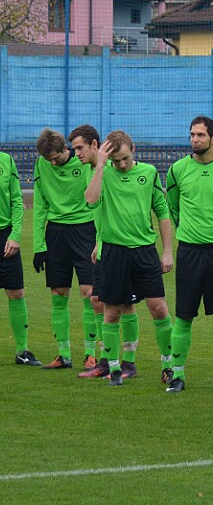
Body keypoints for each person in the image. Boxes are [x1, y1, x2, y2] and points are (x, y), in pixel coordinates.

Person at [84, 131, 174, 387]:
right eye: (116, 160)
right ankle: (114, 369)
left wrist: (167, 251)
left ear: (133, 149)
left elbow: (162, 210)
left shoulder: (149, 173)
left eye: (125, 158)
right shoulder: (102, 173)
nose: (121, 164)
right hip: (113, 252)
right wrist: (101, 165)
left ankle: (168, 367)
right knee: (111, 312)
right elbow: (90, 201)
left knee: (159, 308)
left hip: (144, 251)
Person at [165, 116, 213, 393]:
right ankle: (176, 375)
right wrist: (188, 230)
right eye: (191, 135)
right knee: (184, 316)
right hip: (189, 251)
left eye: (200, 135)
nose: (194, 139)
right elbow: (172, 209)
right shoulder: (177, 170)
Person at [70, 125, 145, 380]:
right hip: (104, 246)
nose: (76, 153)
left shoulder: (106, 170)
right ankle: (106, 360)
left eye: (80, 147)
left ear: (95, 145)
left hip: (121, 248)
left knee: (125, 304)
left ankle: (128, 363)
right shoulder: (92, 172)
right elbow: (97, 210)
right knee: (98, 301)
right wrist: (98, 242)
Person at [33, 128, 97, 370]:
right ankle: (63, 354)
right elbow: (40, 204)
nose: (52, 162)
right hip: (56, 234)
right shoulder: (43, 164)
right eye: (48, 158)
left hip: (84, 230)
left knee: (89, 294)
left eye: (56, 158)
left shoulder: (85, 164)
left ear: (66, 150)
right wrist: (39, 245)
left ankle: (91, 354)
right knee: (58, 295)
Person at [0, 147, 34, 366]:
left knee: (16, 292)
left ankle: (22, 351)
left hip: (5, 236)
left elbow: (16, 200)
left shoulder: (6, 161)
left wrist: (14, 235)